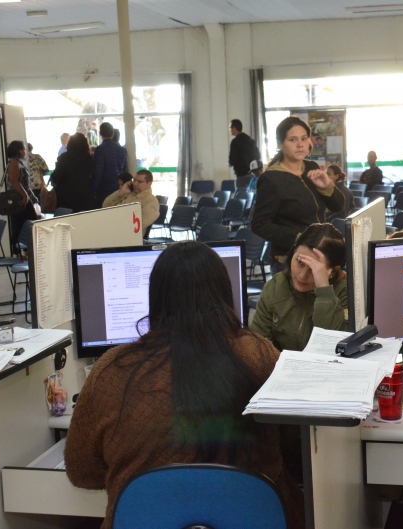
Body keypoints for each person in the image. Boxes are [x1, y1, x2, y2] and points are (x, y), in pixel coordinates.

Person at [64, 241, 304, 529]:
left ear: (156, 297)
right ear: (223, 293)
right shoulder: (260, 354)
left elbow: (82, 473)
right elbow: (293, 442)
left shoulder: (111, 369)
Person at [250, 116, 345, 266]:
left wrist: (327, 186)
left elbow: (338, 206)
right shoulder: (271, 178)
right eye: (293, 140)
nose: (300, 144)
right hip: (289, 259)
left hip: (318, 254)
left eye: (304, 139)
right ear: (280, 144)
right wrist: (299, 238)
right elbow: (259, 224)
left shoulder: (312, 167)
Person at [250, 223, 348, 352]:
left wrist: (324, 292)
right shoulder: (276, 285)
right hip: (281, 362)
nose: (302, 276)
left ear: (332, 272)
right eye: (300, 262)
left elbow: (331, 347)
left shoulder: (346, 292)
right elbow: (258, 343)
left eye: (313, 269)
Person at [4, 140, 38, 251]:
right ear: (18, 151)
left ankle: (23, 251)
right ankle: (23, 251)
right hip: (19, 199)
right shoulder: (14, 163)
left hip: (22, 197)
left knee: (22, 226)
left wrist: (31, 196)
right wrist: (25, 195)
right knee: (28, 225)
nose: (25, 152)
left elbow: (25, 184)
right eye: (23, 149)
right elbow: (14, 181)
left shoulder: (18, 162)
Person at [49, 132, 93, 213]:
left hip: (66, 197)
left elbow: (56, 176)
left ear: (70, 144)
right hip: (84, 196)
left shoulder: (63, 158)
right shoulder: (89, 159)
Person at [93, 122, 128, 208]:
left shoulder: (100, 149)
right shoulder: (122, 150)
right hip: (118, 189)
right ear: (113, 133)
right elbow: (124, 171)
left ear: (100, 133)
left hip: (103, 190)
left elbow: (98, 172)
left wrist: (93, 190)